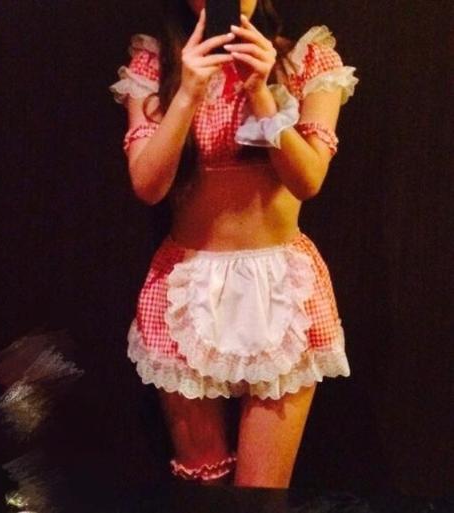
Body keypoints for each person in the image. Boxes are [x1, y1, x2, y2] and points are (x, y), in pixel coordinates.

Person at [109, 0, 359, 488]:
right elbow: (148, 186)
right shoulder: (156, 66)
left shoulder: (306, 60)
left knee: (260, 495)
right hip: (185, 286)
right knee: (202, 484)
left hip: (281, 287)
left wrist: (262, 93)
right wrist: (187, 92)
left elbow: (308, 180)